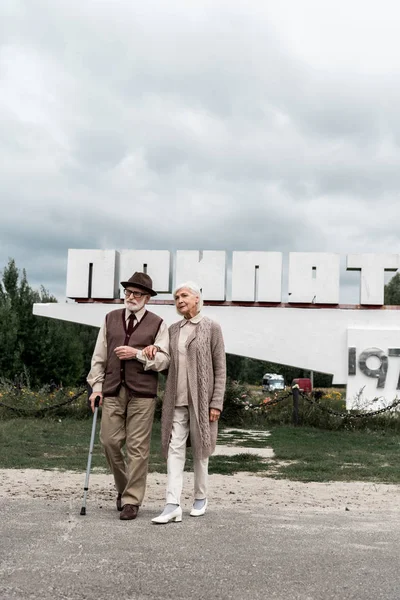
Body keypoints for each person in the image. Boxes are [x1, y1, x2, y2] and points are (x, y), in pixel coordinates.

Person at [87, 272, 170, 521]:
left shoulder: (158, 324)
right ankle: (124, 490)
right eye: (128, 292)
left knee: (137, 448)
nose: (131, 297)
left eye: (137, 294)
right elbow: (99, 356)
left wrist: (137, 354)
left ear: (147, 298)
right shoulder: (110, 318)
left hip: (143, 393)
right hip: (112, 389)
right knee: (109, 442)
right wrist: (96, 387)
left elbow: (165, 360)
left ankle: (132, 500)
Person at [150, 281, 226, 524]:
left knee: (202, 450)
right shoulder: (173, 329)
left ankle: (200, 498)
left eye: (184, 295)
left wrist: (216, 402)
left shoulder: (211, 327)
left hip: (202, 402)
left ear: (196, 298)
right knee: (174, 450)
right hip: (176, 400)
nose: (179, 300)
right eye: (176, 298)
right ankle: (172, 504)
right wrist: (151, 353)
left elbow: (220, 368)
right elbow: (166, 363)